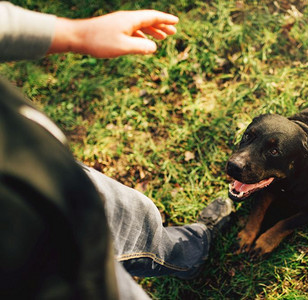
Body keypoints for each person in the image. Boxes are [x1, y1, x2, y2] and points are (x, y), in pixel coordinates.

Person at [0, 2, 234, 299]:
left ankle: (187, 253)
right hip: (26, 275)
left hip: (53, 173)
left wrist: (75, 33)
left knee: (134, 217)